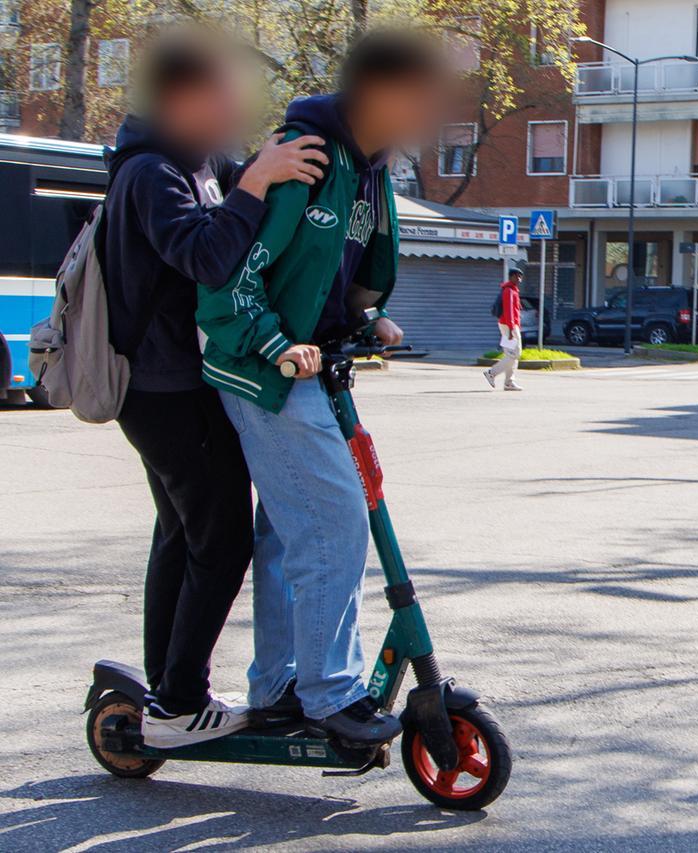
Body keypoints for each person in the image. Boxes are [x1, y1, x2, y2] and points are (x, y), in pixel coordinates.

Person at [195, 29, 441, 746]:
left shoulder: (369, 168)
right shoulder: (302, 156)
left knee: (285, 532)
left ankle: (277, 683)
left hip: (312, 366)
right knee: (334, 520)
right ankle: (327, 690)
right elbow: (226, 279)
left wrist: (368, 312)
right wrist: (276, 342)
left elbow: (335, 267)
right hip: (261, 369)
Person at [101, 28, 330, 747]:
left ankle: (169, 685)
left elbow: (247, 218)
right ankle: (178, 701)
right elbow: (206, 257)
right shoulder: (151, 174)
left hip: (171, 383)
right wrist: (255, 182)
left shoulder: (193, 164)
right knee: (220, 539)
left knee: (179, 533)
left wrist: (263, 172)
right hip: (165, 390)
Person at [484, 268, 524, 392]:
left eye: (520, 277)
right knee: (515, 353)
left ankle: (509, 382)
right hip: (508, 326)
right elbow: (509, 311)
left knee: (512, 355)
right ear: (511, 277)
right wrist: (512, 328)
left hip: (510, 325)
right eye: (517, 276)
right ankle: (492, 373)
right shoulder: (509, 291)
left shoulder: (512, 290)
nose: (519, 279)